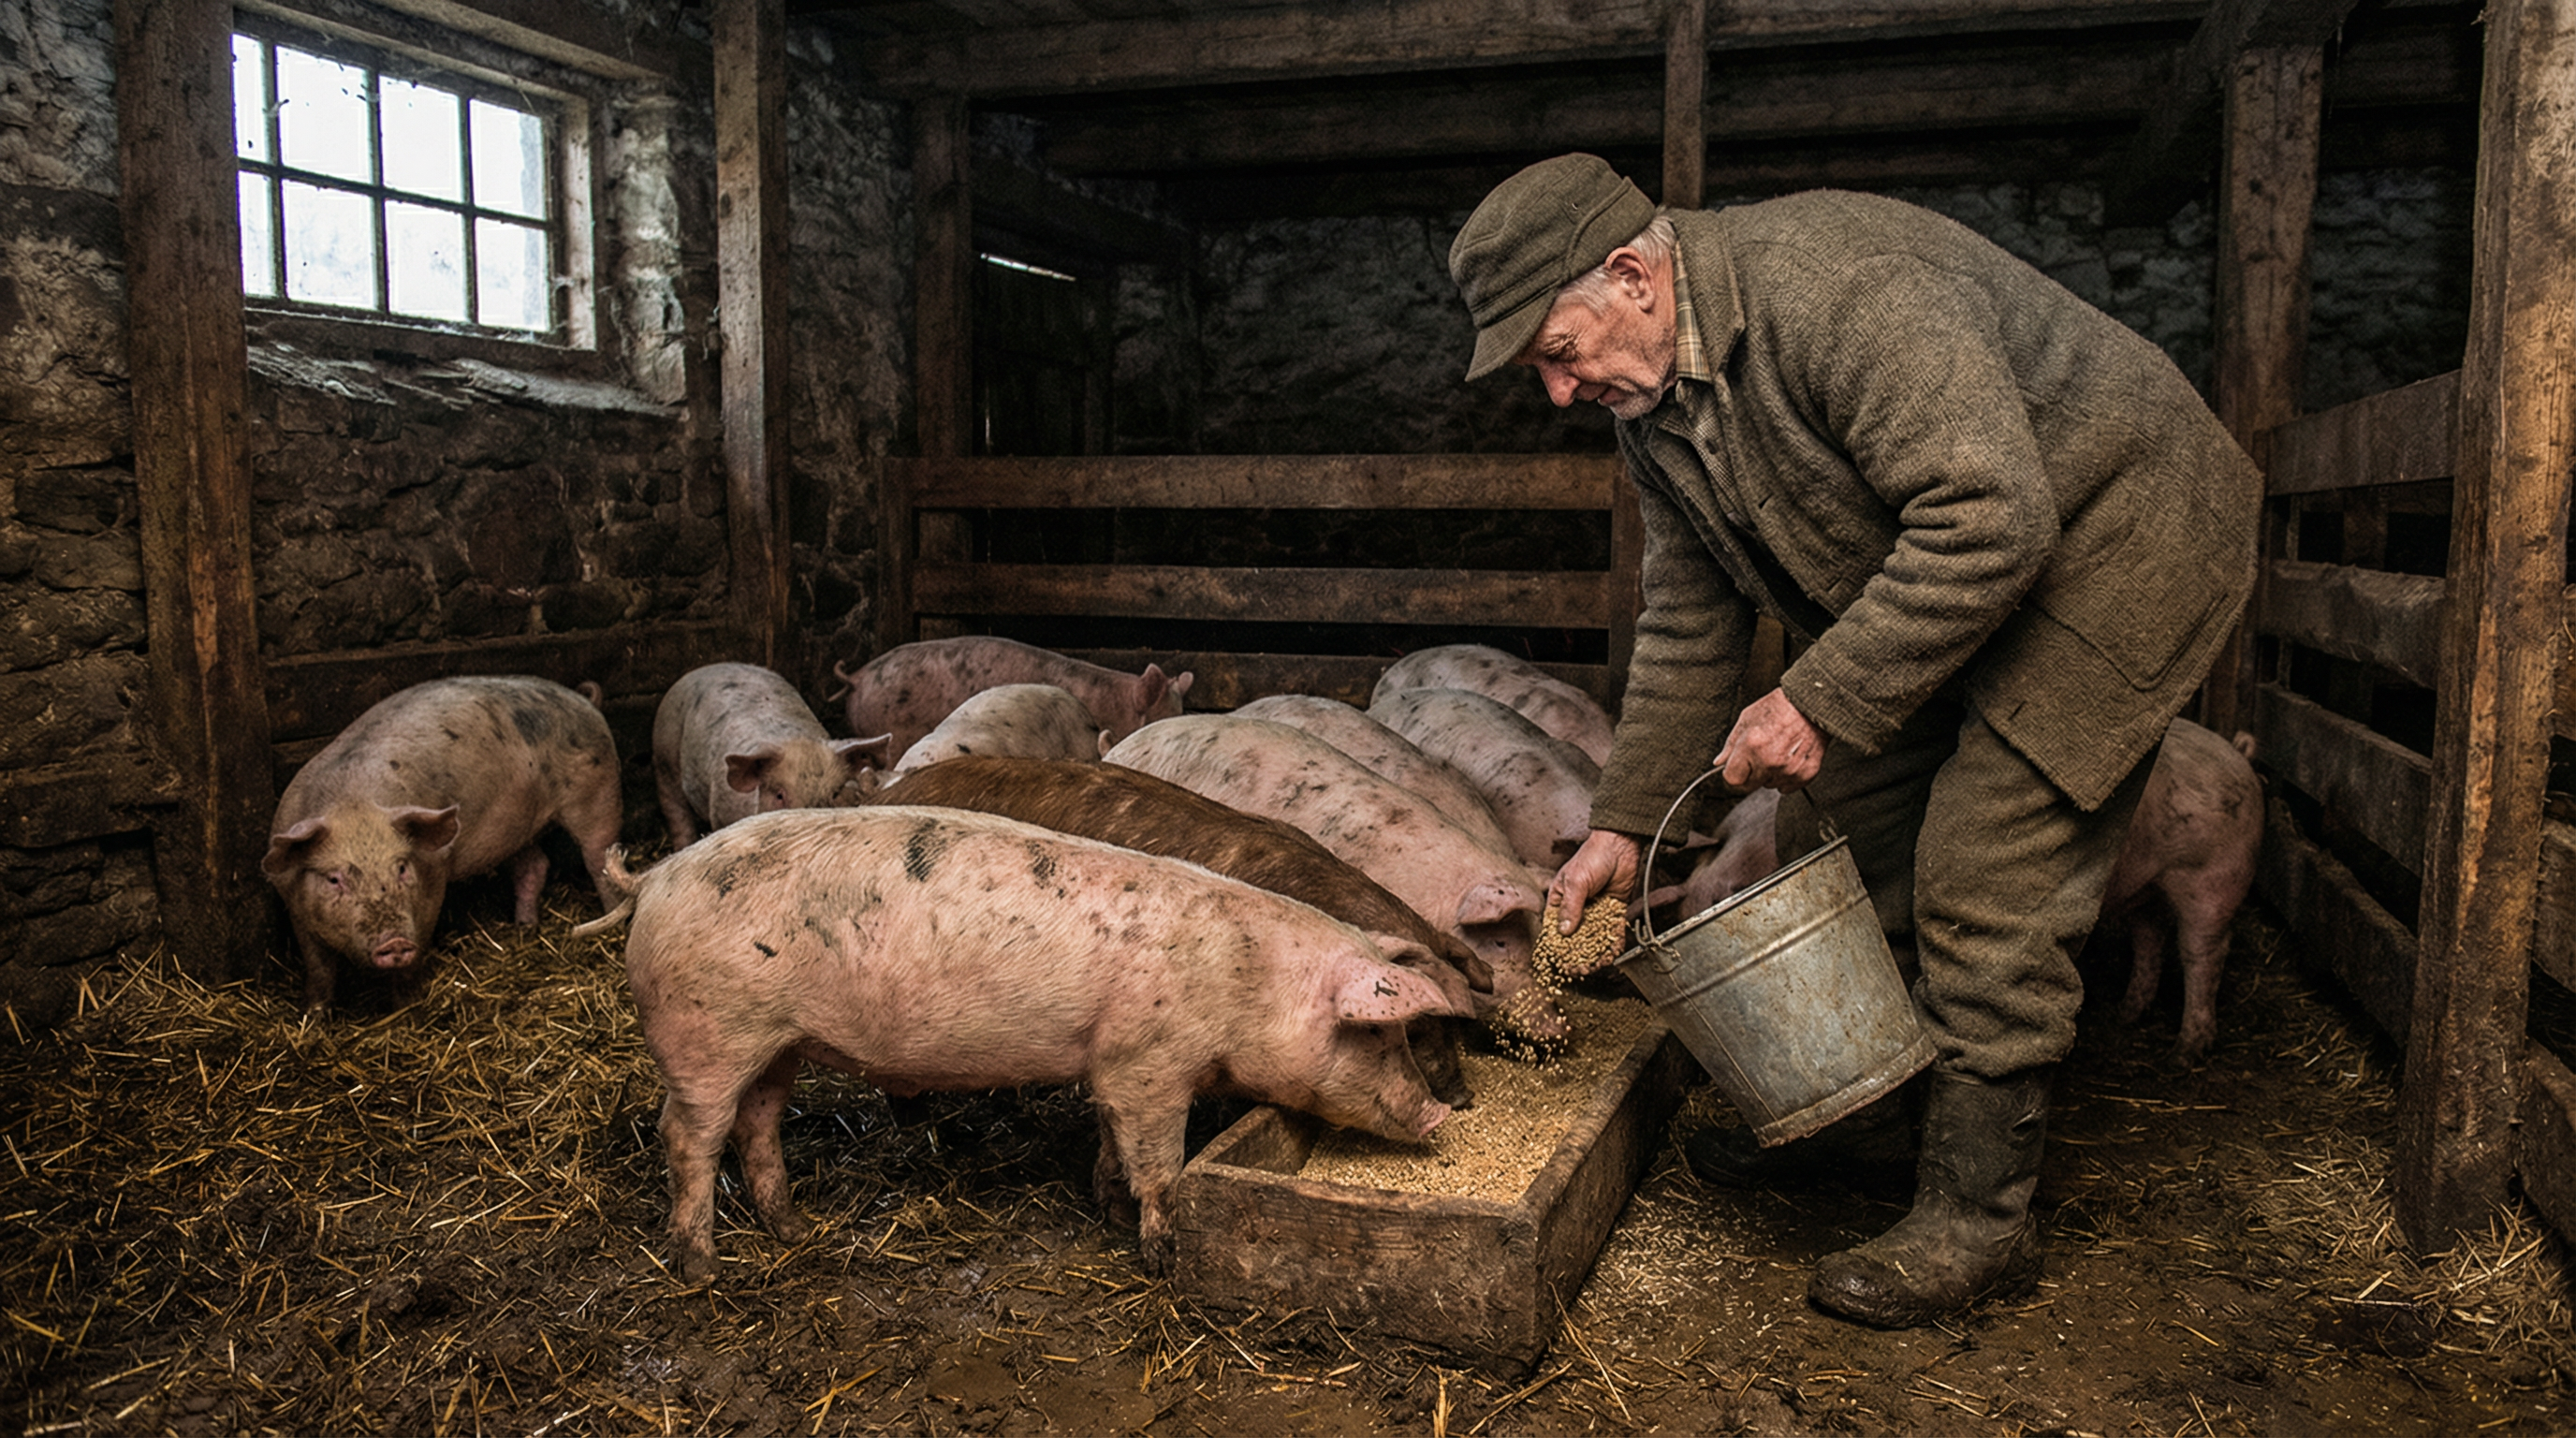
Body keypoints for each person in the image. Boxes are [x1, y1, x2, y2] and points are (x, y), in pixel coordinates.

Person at [1449, 154, 2259, 1328]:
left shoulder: (1839, 289)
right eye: (1539, 374)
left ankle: (1981, 1221)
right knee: (1841, 827)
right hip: (1951, 579)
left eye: (1557, 354)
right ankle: (1868, 1126)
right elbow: (1689, 619)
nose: (1559, 395)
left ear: (1631, 275)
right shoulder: (1657, 417)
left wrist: (1818, 700)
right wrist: (1623, 826)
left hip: (2114, 549)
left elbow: (1990, 513)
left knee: (1986, 877)